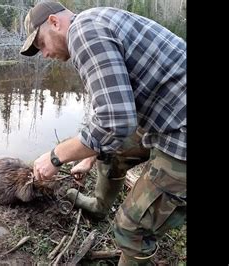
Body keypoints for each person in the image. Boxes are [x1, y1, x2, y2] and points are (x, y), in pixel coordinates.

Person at [20, 2, 186, 265]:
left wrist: (55, 156)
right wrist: (89, 156)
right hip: (168, 116)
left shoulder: (83, 33)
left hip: (181, 133)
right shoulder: (94, 22)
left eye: (41, 44)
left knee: (131, 228)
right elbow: (115, 113)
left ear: (54, 22)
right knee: (111, 152)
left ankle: (133, 238)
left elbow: (115, 121)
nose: (44, 53)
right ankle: (99, 206)